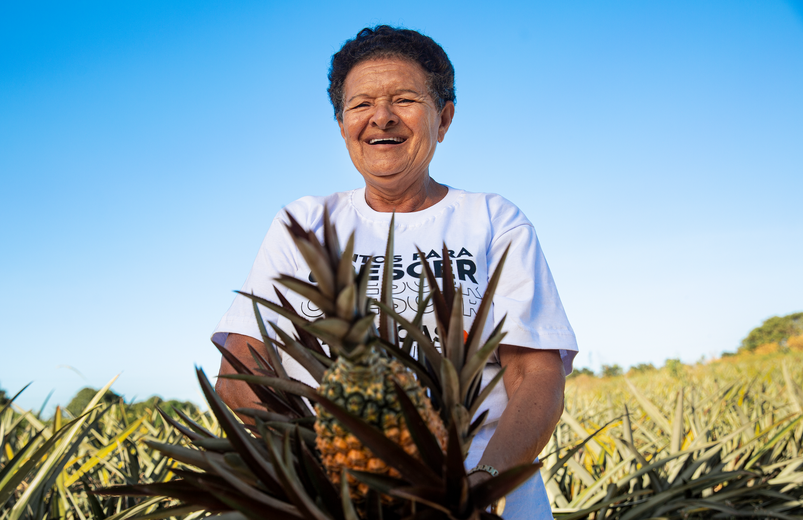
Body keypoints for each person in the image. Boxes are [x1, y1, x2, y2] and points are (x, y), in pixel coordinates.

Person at [213, 25, 577, 519]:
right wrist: (340, 453)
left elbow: (536, 373)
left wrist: (483, 485)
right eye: (360, 104)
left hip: (480, 494)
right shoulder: (304, 222)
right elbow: (238, 369)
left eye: (404, 98)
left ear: (444, 118)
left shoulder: (493, 219)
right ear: (342, 123)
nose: (380, 117)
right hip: (329, 494)